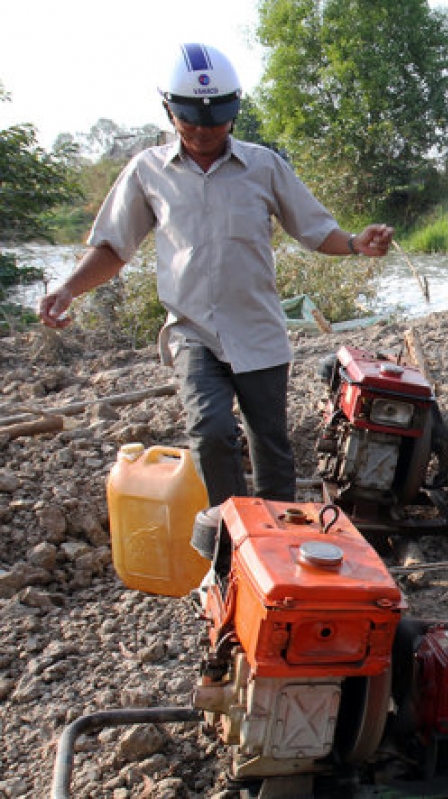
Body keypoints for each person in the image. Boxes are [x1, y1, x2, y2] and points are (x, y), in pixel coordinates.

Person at [39, 42, 394, 506]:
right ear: (169, 111)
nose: (205, 132)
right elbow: (113, 247)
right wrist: (68, 289)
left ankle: (277, 539)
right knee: (210, 431)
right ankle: (231, 537)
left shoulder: (262, 166)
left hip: (258, 330)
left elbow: (314, 229)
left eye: (216, 121)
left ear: (234, 112)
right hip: (194, 332)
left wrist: (353, 243)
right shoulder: (148, 172)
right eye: (192, 121)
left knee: (270, 444)